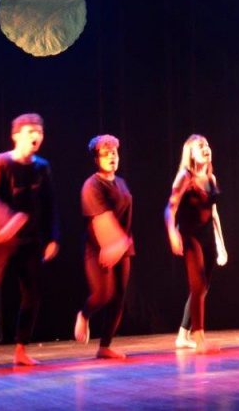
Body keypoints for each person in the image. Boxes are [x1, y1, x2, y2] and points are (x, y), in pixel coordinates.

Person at [0, 113, 59, 366]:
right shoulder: (1, 163)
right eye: (30, 131)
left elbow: (50, 203)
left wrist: (52, 236)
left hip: (29, 240)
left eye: (39, 131)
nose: (36, 136)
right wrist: (8, 221)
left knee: (33, 292)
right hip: (0, 236)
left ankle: (21, 348)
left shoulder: (42, 167)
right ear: (16, 135)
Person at [165, 134, 228, 353]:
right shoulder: (185, 177)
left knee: (202, 288)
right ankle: (199, 339)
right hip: (190, 236)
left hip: (207, 237)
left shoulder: (211, 178)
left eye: (207, 144)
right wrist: (172, 232)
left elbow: (214, 213)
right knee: (198, 285)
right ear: (190, 153)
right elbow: (170, 208)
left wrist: (221, 244)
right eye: (200, 146)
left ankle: (183, 335)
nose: (206, 148)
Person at [74, 134, 134, 359]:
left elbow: (126, 218)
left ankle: (105, 346)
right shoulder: (92, 185)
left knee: (119, 297)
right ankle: (84, 314)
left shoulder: (121, 183)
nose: (111, 157)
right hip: (98, 248)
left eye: (114, 153)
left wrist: (123, 244)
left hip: (122, 247)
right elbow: (100, 218)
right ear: (96, 159)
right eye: (106, 154)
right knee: (103, 294)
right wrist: (113, 244)